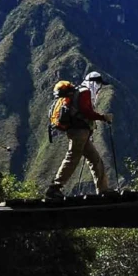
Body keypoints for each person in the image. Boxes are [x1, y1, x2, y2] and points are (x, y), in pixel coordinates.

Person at [45, 71, 114, 199]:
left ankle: (104, 190)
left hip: (80, 132)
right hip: (79, 132)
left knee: (95, 160)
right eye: (99, 84)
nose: (99, 87)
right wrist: (103, 117)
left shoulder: (78, 91)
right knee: (73, 157)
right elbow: (86, 112)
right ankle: (54, 188)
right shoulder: (85, 92)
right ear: (95, 83)